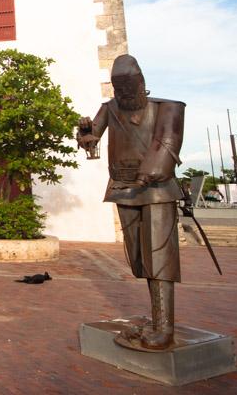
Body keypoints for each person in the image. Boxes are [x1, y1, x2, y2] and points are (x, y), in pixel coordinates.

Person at [78, 54, 184, 350]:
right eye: (118, 88)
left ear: (142, 84)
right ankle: (156, 318)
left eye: (129, 87)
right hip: (124, 188)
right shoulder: (110, 109)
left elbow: (167, 143)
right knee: (139, 258)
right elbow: (90, 138)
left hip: (158, 190)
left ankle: (164, 329)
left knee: (159, 256)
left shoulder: (167, 108)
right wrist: (85, 135)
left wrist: (151, 171)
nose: (123, 94)